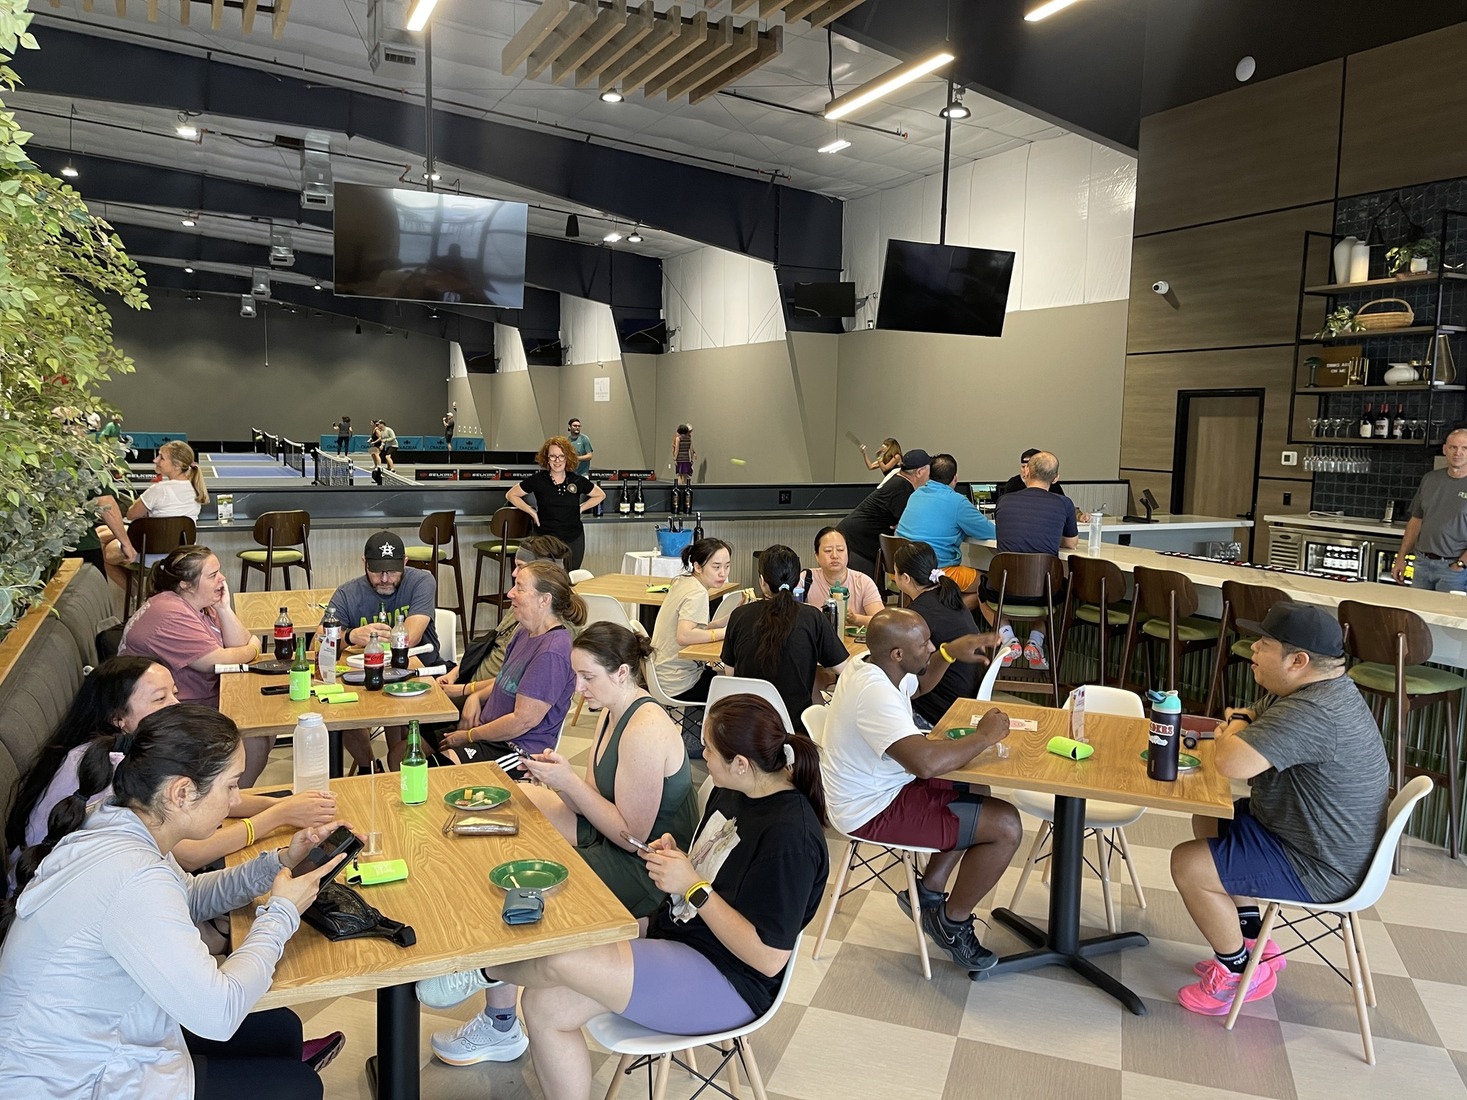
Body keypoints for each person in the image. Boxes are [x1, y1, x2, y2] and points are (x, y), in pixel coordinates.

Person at [413, 695, 830, 1100]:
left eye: (708, 749)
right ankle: (486, 974)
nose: (700, 753)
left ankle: (481, 970)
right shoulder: (736, 789)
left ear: (741, 763)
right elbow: (722, 871)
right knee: (543, 1006)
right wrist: (681, 860)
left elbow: (768, 957)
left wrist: (692, 887)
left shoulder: (791, 837)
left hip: (730, 981)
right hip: (681, 938)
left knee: (565, 954)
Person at [0, 705, 350, 1100]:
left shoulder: (122, 817)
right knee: (297, 1088)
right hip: (65, 1082)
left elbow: (189, 895)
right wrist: (281, 913)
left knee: (281, 1028)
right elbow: (219, 1013)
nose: (235, 800)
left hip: (94, 1038)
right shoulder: (132, 875)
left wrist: (279, 863)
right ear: (181, 792)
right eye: (231, 785)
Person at [426, 623, 700, 1066]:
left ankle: (492, 993)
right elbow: (594, 801)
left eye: (587, 677)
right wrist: (554, 782)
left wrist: (566, 782)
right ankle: (497, 1011)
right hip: (614, 838)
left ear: (622, 673)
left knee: (527, 880)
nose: (577, 688)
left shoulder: (646, 728)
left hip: (649, 868)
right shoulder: (613, 710)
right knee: (512, 816)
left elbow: (631, 838)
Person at [1170, 602, 1389, 1015]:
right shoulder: (1317, 690)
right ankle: (1253, 936)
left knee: (1188, 864)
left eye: (1263, 644)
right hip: (1304, 836)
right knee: (1210, 814)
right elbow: (1254, 714)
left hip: (1321, 866)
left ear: (1298, 660)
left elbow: (1231, 761)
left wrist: (1235, 724)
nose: (1251, 649)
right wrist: (1243, 721)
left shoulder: (1313, 712)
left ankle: (1237, 970)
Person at [822, 608, 1022, 971]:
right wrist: (984, 736)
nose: (931, 646)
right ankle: (952, 922)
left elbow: (921, 684)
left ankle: (930, 891)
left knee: (976, 784)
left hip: (883, 786)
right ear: (898, 654)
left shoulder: (871, 663)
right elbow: (925, 764)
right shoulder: (874, 693)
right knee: (1006, 826)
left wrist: (947, 654)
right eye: (924, 643)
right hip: (870, 807)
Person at [5, 656, 334, 871]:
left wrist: (288, 804)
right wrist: (278, 815)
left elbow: (208, 793)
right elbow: (188, 854)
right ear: (118, 718)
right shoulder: (106, 766)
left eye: (174, 693)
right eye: (160, 699)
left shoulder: (136, 746)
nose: (176, 705)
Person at [117, 547, 269, 779]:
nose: (222, 579)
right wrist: (254, 648)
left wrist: (223, 608)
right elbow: (216, 662)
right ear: (186, 585)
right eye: (213, 575)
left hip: (198, 697)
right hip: (163, 712)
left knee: (264, 722)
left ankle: (230, 799)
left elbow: (237, 642)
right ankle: (227, 804)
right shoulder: (170, 613)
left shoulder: (199, 604)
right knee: (254, 735)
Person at [436, 560, 584, 761]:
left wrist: (469, 736)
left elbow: (521, 721)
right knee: (410, 746)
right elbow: (507, 680)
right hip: (488, 732)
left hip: (515, 749)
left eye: (520, 588)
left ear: (544, 600)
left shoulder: (552, 652)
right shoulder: (524, 630)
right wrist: (475, 697)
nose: (510, 593)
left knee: (433, 769)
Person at [325, 532, 441, 772]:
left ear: (405, 563)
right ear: (364, 563)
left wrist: (375, 639)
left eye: (392, 572)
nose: (385, 579)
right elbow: (321, 638)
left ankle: (399, 770)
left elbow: (411, 636)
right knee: (340, 713)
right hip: (365, 678)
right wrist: (350, 636)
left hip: (420, 674)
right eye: (377, 572)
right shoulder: (348, 593)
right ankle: (370, 770)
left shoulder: (422, 581)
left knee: (402, 716)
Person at [721, 544, 848, 733]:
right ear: (797, 582)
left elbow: (730, 675)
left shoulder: (739, 615)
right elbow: (845, 670)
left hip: (747, 728)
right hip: (795, 730)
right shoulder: (812, 617)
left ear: (762, 580)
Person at [890, 541, 1019, 727]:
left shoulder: (916, 614)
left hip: (943, 708)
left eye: (895, 572)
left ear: (906, 578)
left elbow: (906, 670)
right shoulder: (948, 596)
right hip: (967, 695)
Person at [435, 534, 572, 702]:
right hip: (468, 680)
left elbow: (513, 681)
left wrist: (465, 691)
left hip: (487, 696)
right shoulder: (522, 603)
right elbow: (491, 646)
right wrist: (455, 673)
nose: (514, 573)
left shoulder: (552, 630)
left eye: (520, 567)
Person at [986, 449, 1078, 669]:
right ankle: (1035, 642)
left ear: (1026, 472)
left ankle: (1008, 638)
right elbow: (1071, 543)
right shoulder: (1064, 504)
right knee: (1051, 588)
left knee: (982, 591)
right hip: (1043, 593)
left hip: (1003, 591)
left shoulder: (1005, 501)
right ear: (1056, 478)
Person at [100, 439, 209, 589]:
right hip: (180, 555)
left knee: (103, 553)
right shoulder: (196, 489)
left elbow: (131, 514)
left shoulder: (159, 489)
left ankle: (136, 596)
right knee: (104, 533)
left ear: (176, 465)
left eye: (161, 458)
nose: (155, 460)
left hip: (150, 555)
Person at [895, 452, 995, 605]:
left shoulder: (916, 494)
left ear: (929, 474)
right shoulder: (958, 502)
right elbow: (989, 531)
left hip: (901, 569)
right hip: (935, 571)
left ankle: (931, 615)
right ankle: (946, 619)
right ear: (955, 478)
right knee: (987, 585)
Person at [650, 537, 733, 704]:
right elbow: (684, 636)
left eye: (727, 566)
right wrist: (725, 633)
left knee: (727, 680)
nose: (723, 573)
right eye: (716, 567)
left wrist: (726, 621)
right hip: (679, 682)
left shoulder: (684, 581)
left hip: (661, 675)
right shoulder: (697, 593)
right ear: (697, 566)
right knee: (737, 690)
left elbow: (691, 625)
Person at [507, 435, 605, 571]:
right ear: (546, 459)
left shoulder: (576, 480)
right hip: (544, 540)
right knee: (544, 581)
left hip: (573, 538)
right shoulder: (538, 480)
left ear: (567, 458)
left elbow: (600, 495)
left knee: (569, 579)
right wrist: (531, 511)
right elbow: (511, 494)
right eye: (552, 456)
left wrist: (580, 508)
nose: (557, 460)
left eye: (561, 456)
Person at [835, 448, 932, 580]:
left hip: (854, 537)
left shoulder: (897, 479)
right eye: (929, 469)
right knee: (860, 593)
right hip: (857, 544)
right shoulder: (903, 489)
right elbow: (906, 525)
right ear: (919, 472)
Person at [1393, 427, 1467, 591]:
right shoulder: (1430, 479)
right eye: (1453, 447)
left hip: (1455, 570)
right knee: (1417, 614)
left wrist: (1461, 564)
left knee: (1446, 616)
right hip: (1422, 564)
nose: (1458, 453)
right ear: (1444, 449)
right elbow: (1416, 521)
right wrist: (1401, 558)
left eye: (1465, 448)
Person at [800, 527, 884, 627]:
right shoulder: (806, 579)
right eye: (828, 551)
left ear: (848, 554)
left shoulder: (863, 582)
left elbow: (881, 622)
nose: (835, 555)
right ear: (817, 556)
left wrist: (855, 619)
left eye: (840, 550)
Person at [670, 423, 697, 489]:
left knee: (679, 475)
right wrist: (692, 459)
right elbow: (690, 449)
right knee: (685, 475)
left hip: (680, 459)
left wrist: (675, 459)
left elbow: (677, 449)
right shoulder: (689, 439)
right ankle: (685, 489)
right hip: (686, 459)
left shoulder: (678, 438)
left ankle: (679, 489)